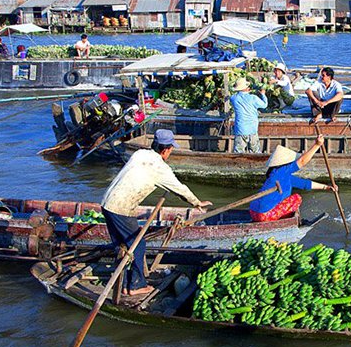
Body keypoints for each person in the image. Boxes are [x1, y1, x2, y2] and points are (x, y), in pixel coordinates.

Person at [100, 129, 212, 296]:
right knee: (138, 245)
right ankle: (135, 286)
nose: (171, 152)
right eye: (171, 150)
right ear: (165, 150)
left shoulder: (140, 154)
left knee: (122, 246)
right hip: (120, 208)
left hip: (106, 203)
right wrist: (197, 203)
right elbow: (180, 189)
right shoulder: (160, 168)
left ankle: (123, 284)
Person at [249, 135, 336, 222]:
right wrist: (317, 145)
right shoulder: (282, 170)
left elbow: (306, 184)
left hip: (253, 212)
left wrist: (327, 187)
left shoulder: (278, 174)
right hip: (264, 215)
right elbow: (302, 161)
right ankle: (286, 222)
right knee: (296, 198)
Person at [229, 77, 268, 153]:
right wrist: (263, 94)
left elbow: (231, 95)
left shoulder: (234, 98)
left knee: (238, 152)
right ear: (246, 88)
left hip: (240, 129)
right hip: (252, 129)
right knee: (255, 152)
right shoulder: (253, 98)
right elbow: (264, 105)